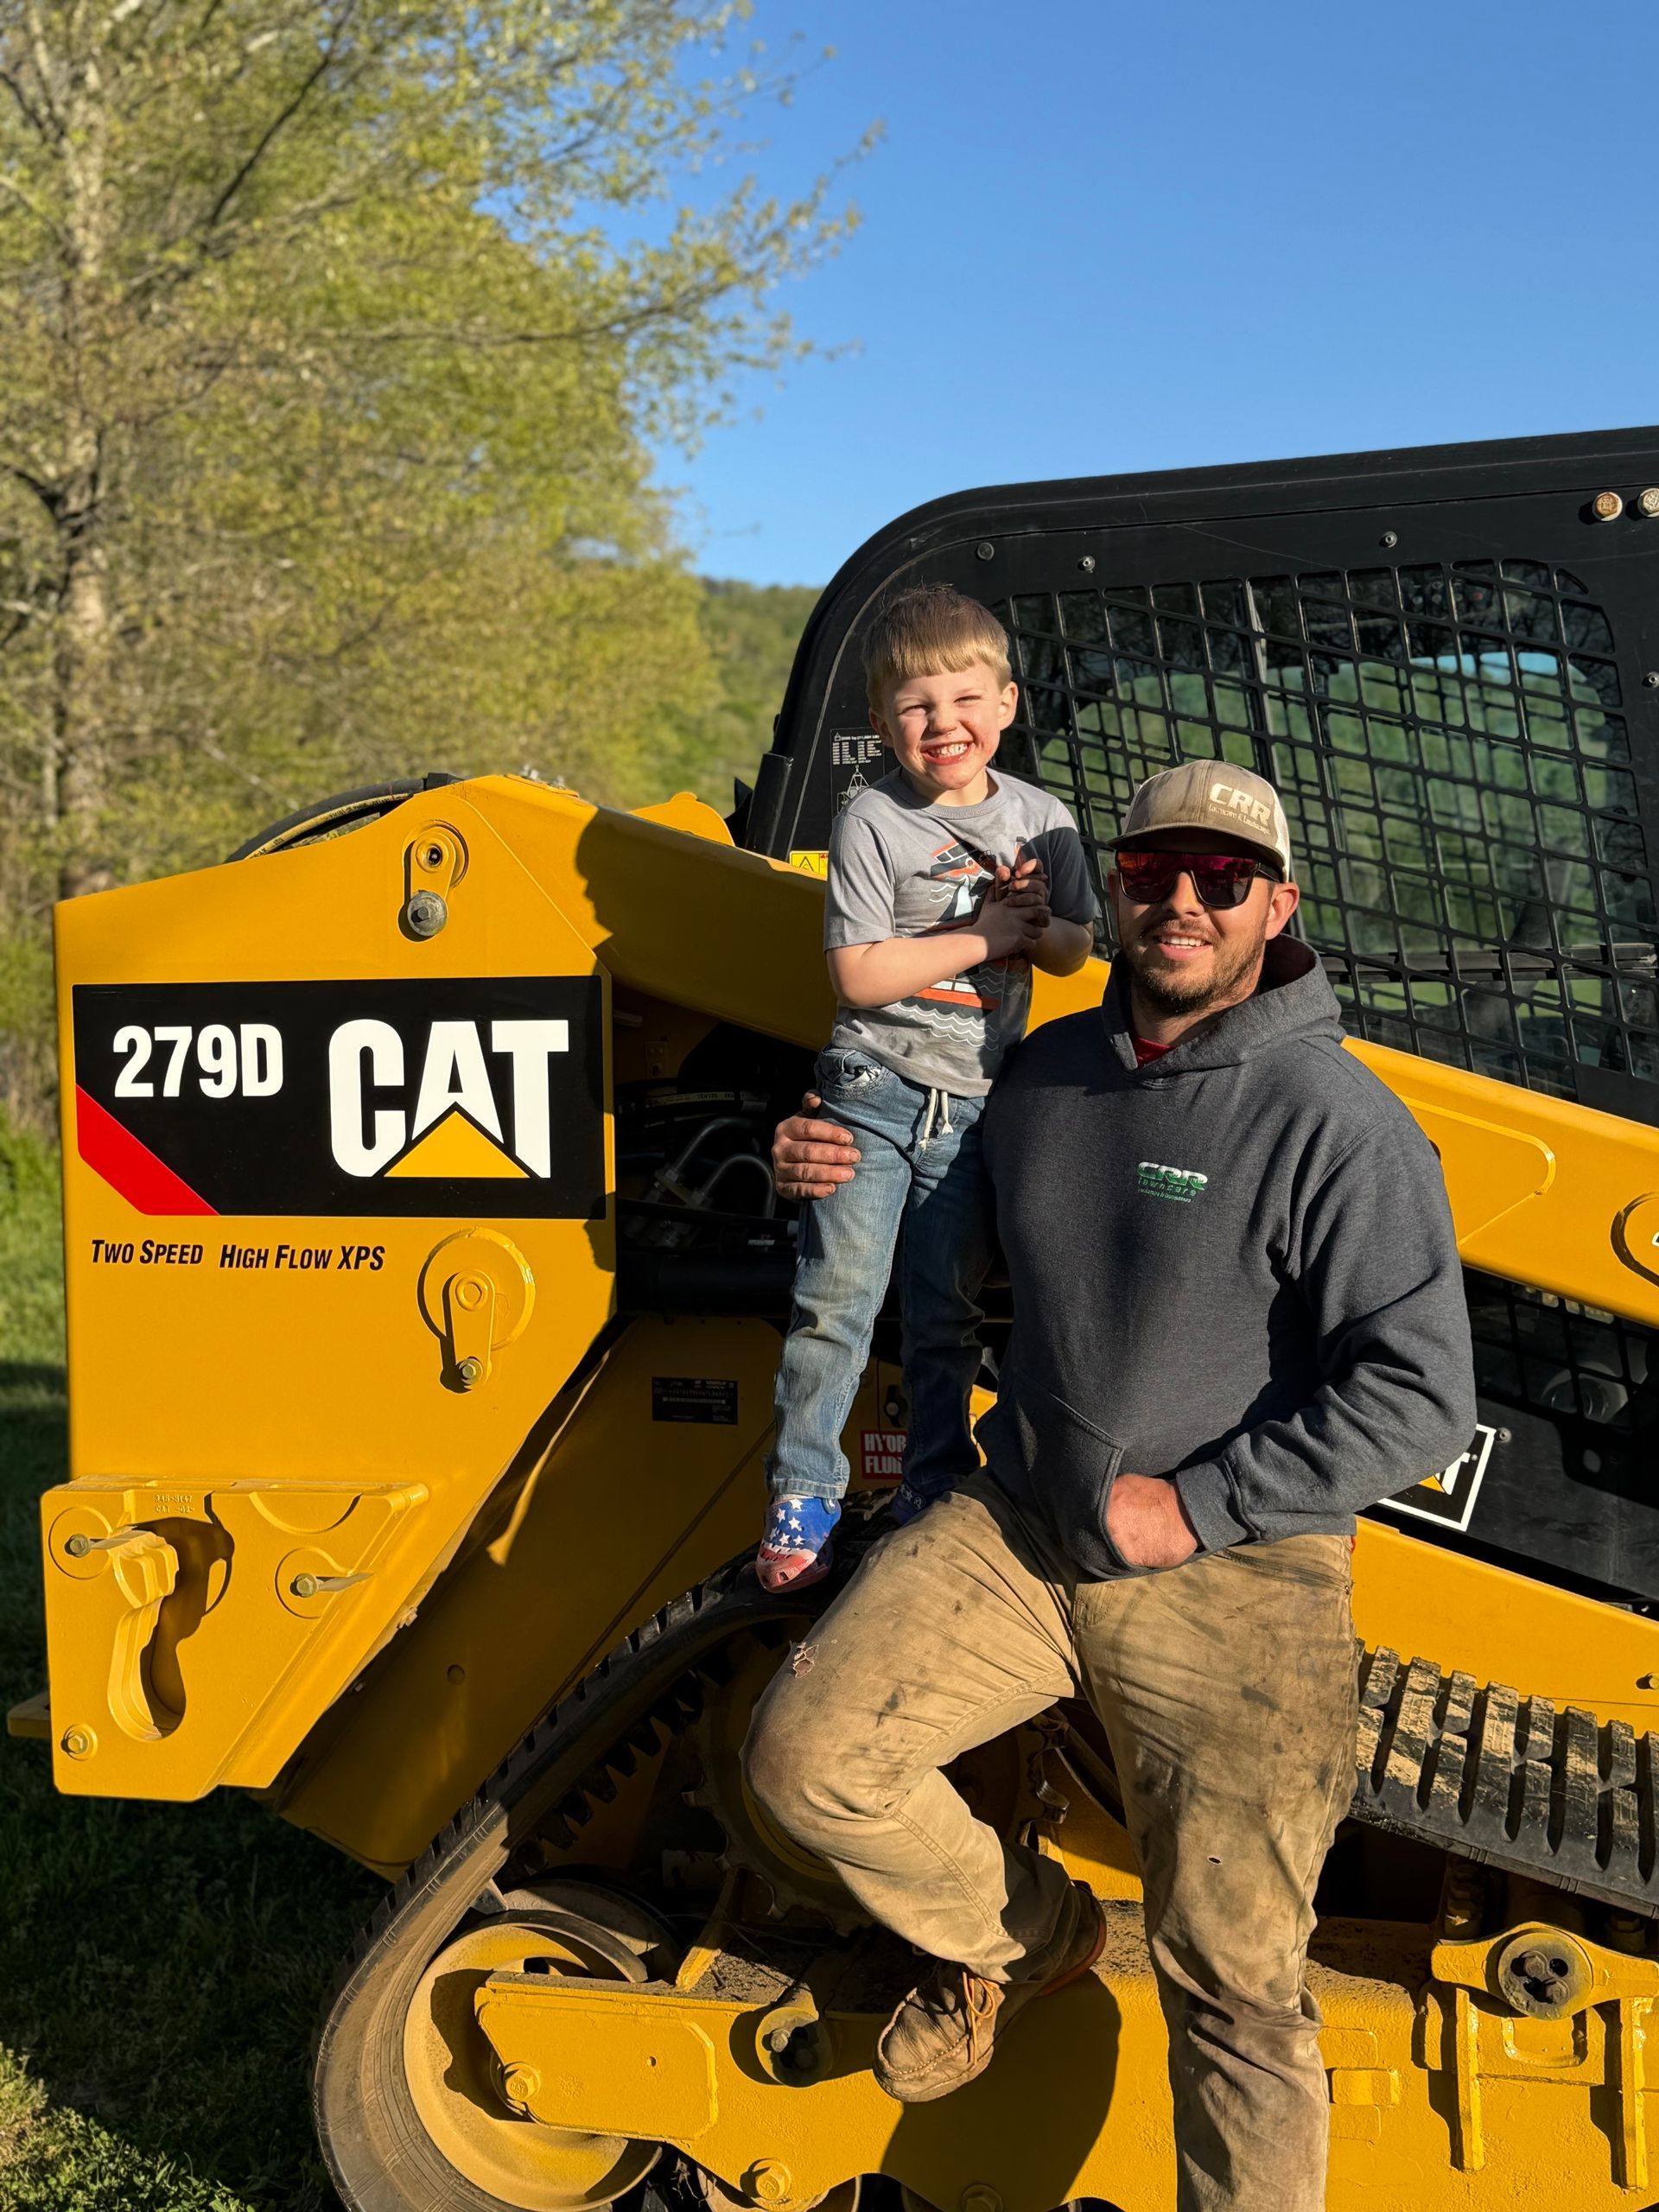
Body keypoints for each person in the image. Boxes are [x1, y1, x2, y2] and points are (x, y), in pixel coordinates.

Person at [745, 760, 1478, 2212]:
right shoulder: (1045, 1077)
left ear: (1278, 904)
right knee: (808, 1761)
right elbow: (930, 1235)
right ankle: (1034, 1938)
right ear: (1116, 891)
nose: (1184, 901)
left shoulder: (1338, 1123)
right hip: (1024, 1522)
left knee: (1236, 1979)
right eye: (1153, 873)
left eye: (1223, 878)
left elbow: (1421, 1394)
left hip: (1237, 1568)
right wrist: (817, 1162)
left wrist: (1197, 1505)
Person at [756, 583, 1096, 1592]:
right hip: (873, 1089)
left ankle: (934, 1480)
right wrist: (984, 934)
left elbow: (1074, 952)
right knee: (836, 1301)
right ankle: (802, 1489)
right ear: (881, 722)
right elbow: (858, 975)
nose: (943, 723)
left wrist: (1035, 923)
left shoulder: (1042, 820)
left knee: (947, 1313)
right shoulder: (873, 819)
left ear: (1007, 704)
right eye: (916, 705)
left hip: (978, 1101)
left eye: (964, 699)